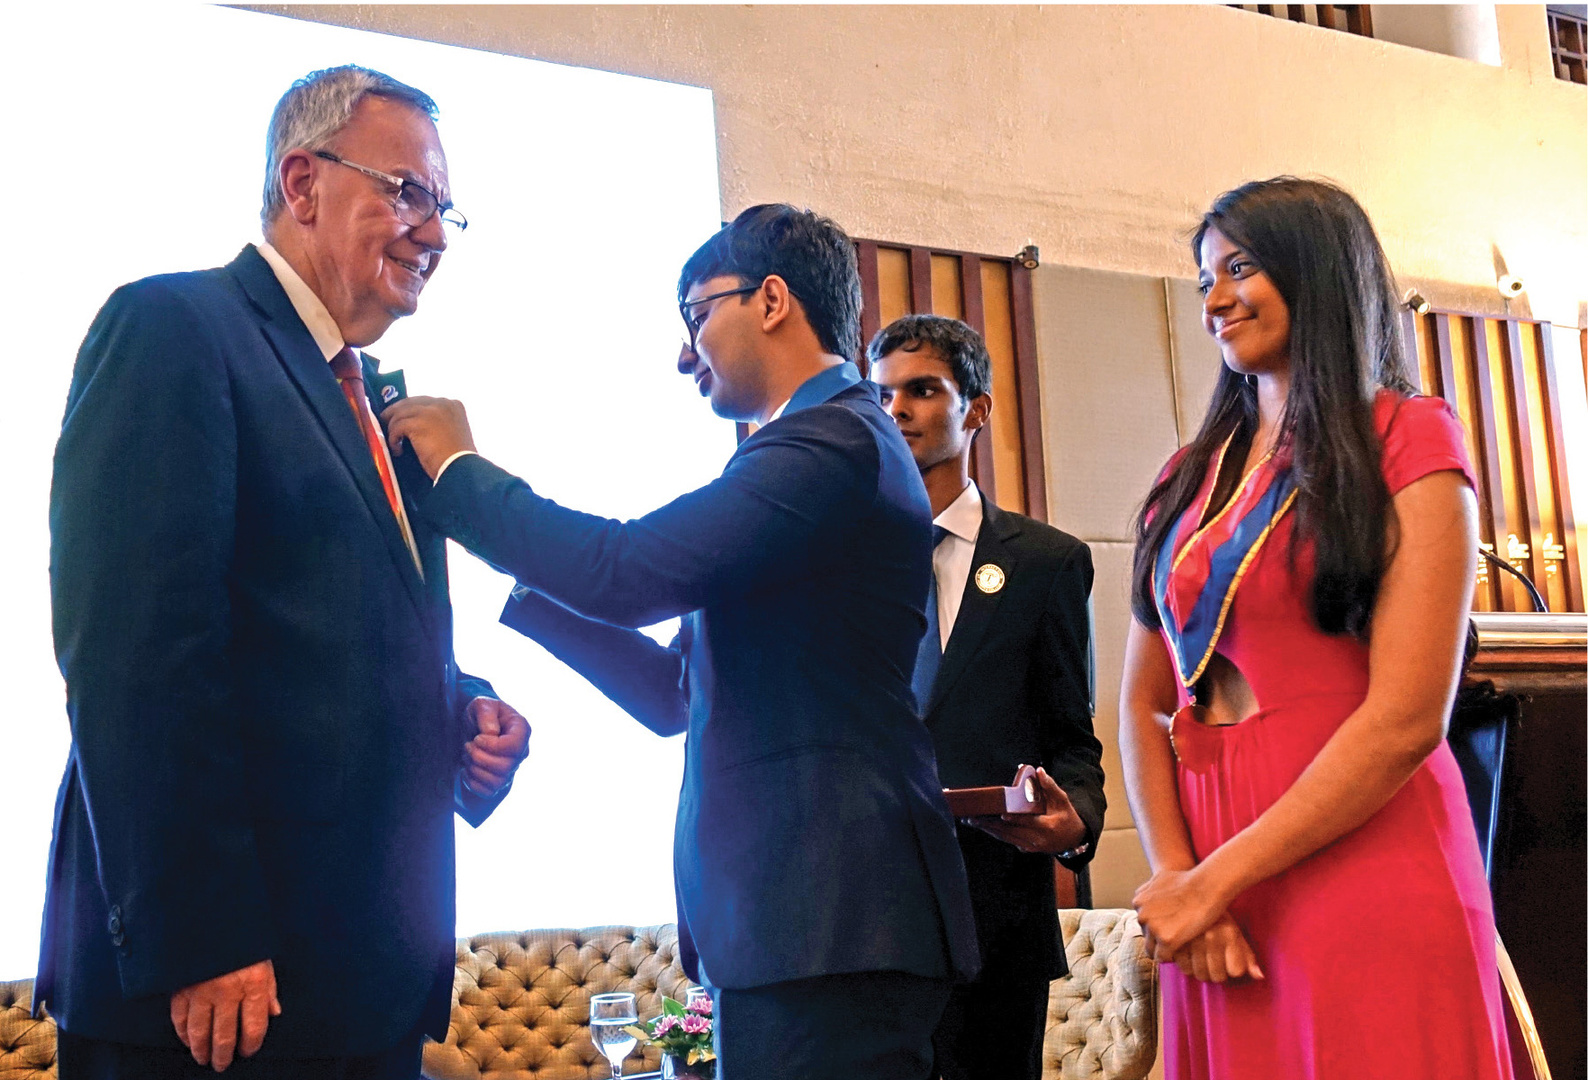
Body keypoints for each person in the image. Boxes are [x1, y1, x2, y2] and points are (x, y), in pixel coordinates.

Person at [383, 204, 980, 1080]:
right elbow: (675, 694)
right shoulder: (811, 449)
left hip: (831, 918)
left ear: (771, 299)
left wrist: (464, 473)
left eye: (695, 314)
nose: (682, 351)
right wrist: (524, 580)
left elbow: (624, 569)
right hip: (794, 925)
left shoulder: (832, 440)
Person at [40, 65, 530, 1080]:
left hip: (357, 988)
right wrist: (203, 937)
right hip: (223, 996)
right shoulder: (174, 331)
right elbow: (138, 655)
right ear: (301, 182)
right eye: (407, 193)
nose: (433, 233)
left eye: (445, 209)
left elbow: (317, 646)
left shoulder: (368, 396)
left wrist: (461, 714)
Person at [1119, 177, 1512, 1078]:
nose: (1215, 298)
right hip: (1211, 869)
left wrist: (1213, 881)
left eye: (1242, 267)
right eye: (1205, 277)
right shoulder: (1187, 476)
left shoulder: (1407, 439)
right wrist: (1186, 886)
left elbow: (1408, 718)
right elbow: (1144, 705)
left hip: (1363, 846)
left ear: (1320, 272)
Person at [868, 314, 1106, 1080]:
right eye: (883, 394)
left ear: (976, 408)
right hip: (867, 918)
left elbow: (1074, 740)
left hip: (996, 915)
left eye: (922, 390)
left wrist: (1074, 825)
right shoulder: (843, 559)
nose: (896, 408)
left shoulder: (1046, 563)